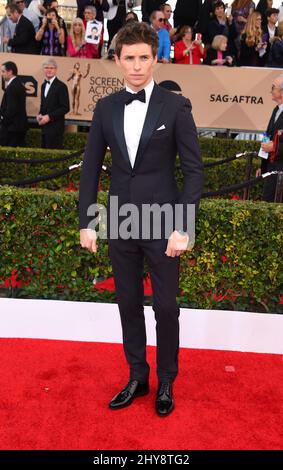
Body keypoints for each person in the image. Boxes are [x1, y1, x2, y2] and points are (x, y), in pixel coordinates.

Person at [79, 21, 203, 417]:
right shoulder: (106, 107)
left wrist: (184, 226)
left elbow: (194, 171)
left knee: (166, 307)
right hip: (120, 220)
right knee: (127, 302)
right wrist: (88, 221)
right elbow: (90, 168)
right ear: (117, 61)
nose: (136, 66)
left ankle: (167, 379)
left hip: (165, 221)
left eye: (143, 58)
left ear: (156, 59)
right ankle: (137, 375)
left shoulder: (175, 105)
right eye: (128, 58)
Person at [256, 75, 283, 201]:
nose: (270, 91)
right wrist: (263, 166)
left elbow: (274, 144)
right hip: (271, 169)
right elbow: (267, 136)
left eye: (273, 88)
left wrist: (276, 147)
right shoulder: (276, 110)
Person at [37, 59, 70, 149]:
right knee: (44, 154)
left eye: (51, 68)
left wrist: (49, 117)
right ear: (44, 70)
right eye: (46, 68)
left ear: (56, 70)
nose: (49, 70)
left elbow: (65, 107)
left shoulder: (61, 86)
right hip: (45, 128)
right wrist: (39, 114)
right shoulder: (43, 85)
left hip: (56, 128)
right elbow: (43, 104)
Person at [0, 61, 28, 147]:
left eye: (3, 71)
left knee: (8, 155)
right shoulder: (18, 83)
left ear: (10, 72)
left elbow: (11, 109)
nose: (2, 74)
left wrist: (3, 121)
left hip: (12, 128)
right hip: (17, 127)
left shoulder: (12, 86)